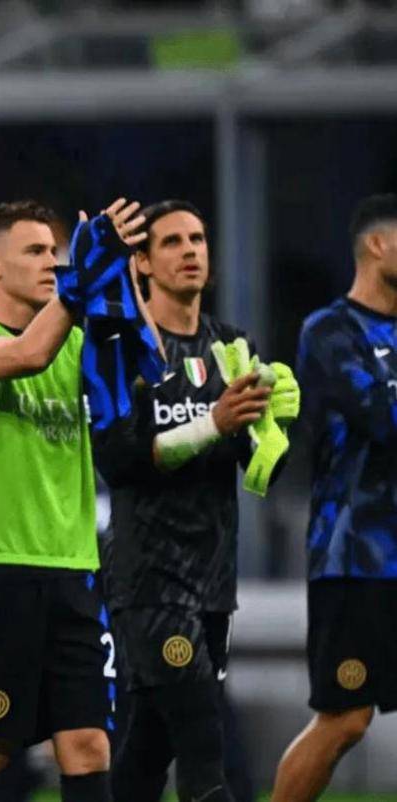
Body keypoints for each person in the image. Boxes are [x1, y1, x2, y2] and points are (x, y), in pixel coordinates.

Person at [0, 198, 149, 802]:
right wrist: (78, 287)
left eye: (55, 250)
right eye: (35, 251)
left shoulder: (75, 346)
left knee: (88, 744)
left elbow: (138, 367)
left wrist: (117, 281)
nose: (53, 261)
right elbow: (26, 356)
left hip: (73, 567)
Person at [91, 201, 296, 802]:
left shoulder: (231, 345)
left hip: (213, 583)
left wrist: (276, 427)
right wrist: (213, 422)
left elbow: (259, 471)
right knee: (205, 745)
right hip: (150, 581)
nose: (190, 251)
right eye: (173, 242)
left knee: (148, 750)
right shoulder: (123, 349)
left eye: (198, 239)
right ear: (142, 263)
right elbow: (118, 460)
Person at [271, 194, 397, 802]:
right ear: (377, 244)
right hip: (356, 559)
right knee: (346, 719)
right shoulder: (329, 331)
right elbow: (382, 418)